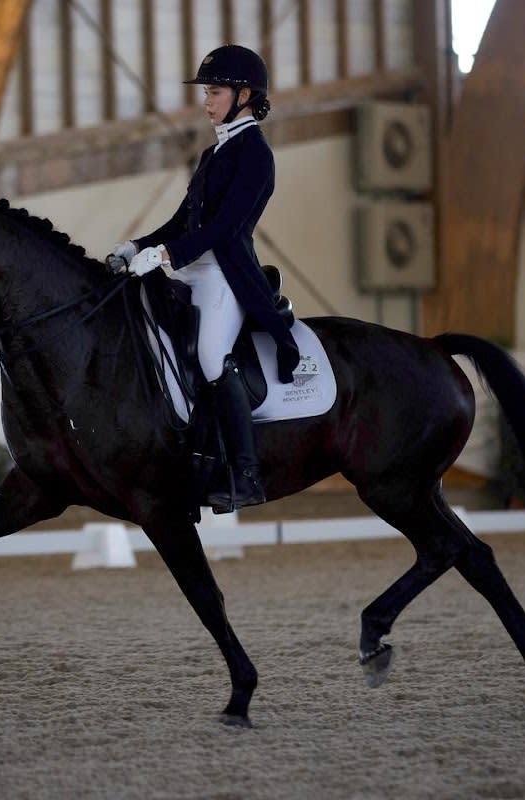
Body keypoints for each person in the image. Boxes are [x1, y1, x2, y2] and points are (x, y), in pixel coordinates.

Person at [107, 44, 299, 511]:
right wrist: (137, 246)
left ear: (244, 95)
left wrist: (166, 255)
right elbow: (183, 219)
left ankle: (246, 473)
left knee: (212, 355)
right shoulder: (214, 152)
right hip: (189, 267)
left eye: (214, 92)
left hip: (224, 274)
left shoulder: (256, 154)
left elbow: (225, 228)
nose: (207, 102)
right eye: (208, 93)